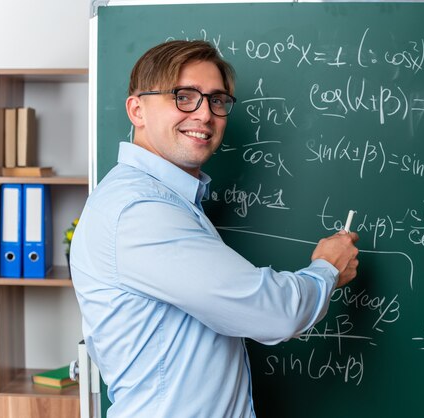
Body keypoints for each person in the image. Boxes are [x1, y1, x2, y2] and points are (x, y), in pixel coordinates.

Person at [70, 40, 359, 418]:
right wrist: (328, 268)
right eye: (184, 96)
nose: (205, 115)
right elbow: (273, 313)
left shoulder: (168, 199)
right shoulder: (140, 211)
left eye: (217, 100)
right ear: (137, 110)